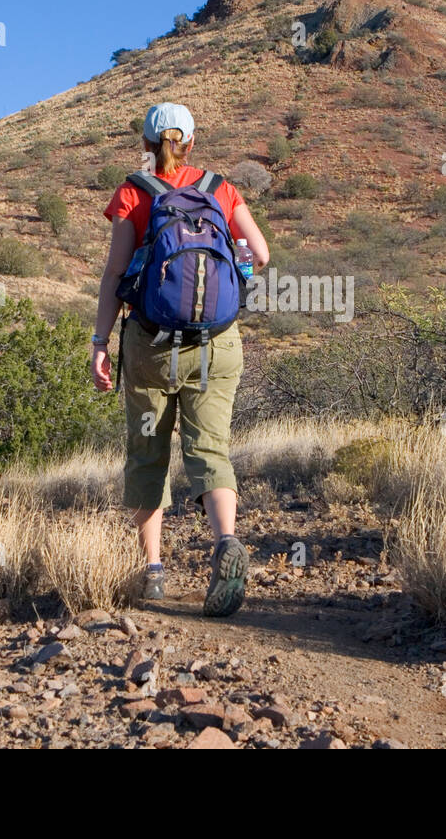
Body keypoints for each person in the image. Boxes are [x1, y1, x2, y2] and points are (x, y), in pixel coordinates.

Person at [91, 102, 270, 617]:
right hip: (218, 344)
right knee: (210, 450)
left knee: (148, 452)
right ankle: (226, 543)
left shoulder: (134, 191)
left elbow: (113, 275)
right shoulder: (219, 187)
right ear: (191, 142)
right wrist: (232, 270)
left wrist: (100, 343)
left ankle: (152, 573)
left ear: (146, 144)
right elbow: (260, 254)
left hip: (150, 344)